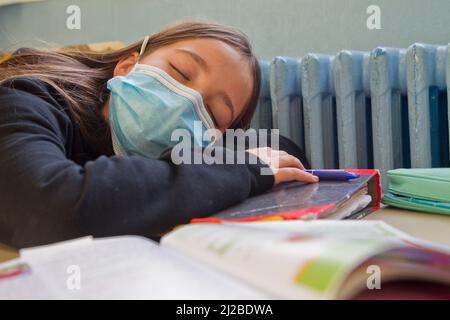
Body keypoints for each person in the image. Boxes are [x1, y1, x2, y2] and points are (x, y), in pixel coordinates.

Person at [0, 20, 317, 248]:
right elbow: (50, 207)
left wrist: (234, 162)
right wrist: (240, 168)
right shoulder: (27, 97)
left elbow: (282, 150)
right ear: (127, 66)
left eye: (215, 113)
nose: (188, 100)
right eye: (180, 72)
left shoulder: (203, 146)